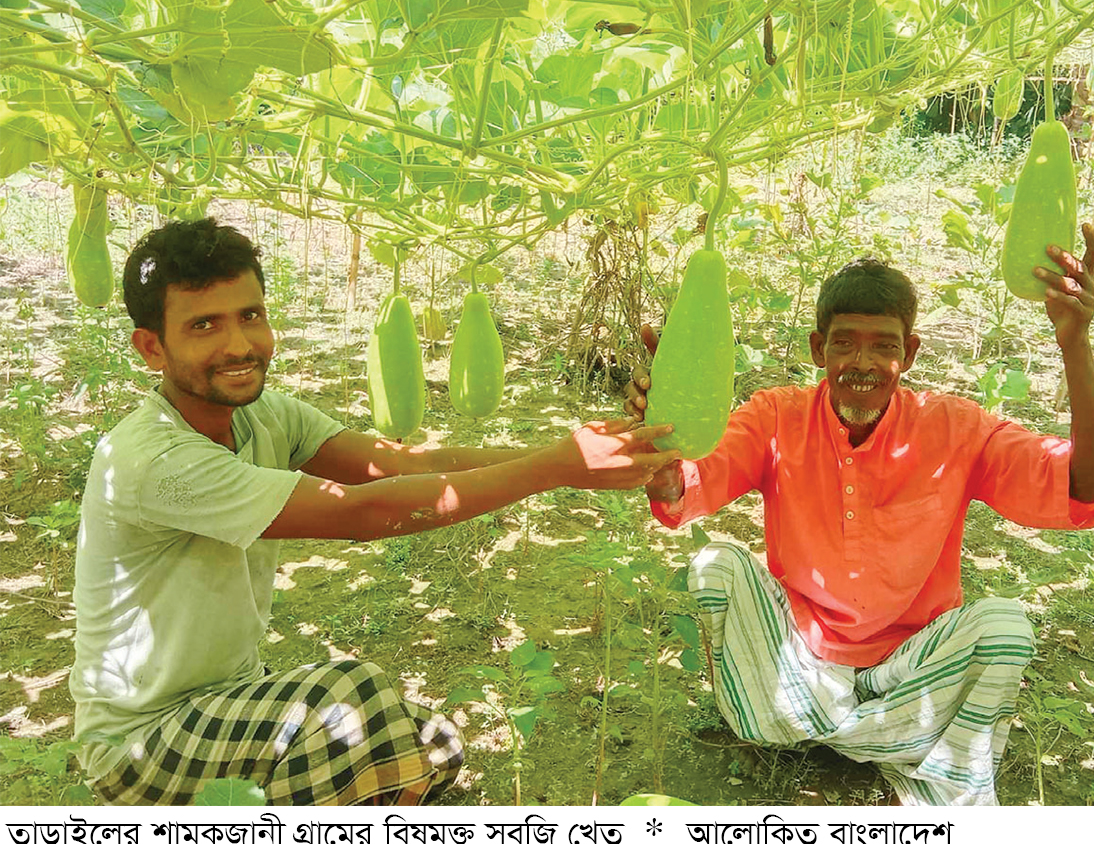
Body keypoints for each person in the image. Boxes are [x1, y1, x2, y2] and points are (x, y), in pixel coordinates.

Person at [70, 218, 679, 806]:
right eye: (204, 325)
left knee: (432, 747)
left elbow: (402, 465)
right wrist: (558, 467)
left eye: (250, 315)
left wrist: (582, 454)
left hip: (232, 701)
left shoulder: (264, 414)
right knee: (349, 698)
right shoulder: (154, 459)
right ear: (152, 347)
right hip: (141, 742)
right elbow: (363, 513)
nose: (239, 344)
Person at [623, 226, 1094, 806]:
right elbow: (687, 483)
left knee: (1005, 628)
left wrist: (1075, 343)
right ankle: (894, 740)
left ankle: (826, 730)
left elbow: (1088, 485)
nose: (863, 363)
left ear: (909, 353)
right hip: (804, 654)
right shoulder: (776, 417)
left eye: (884, 346)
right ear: (818, 349)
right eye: (844, 344)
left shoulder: (956, 428)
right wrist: (664, 441)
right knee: (717, 567)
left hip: (912, 661)